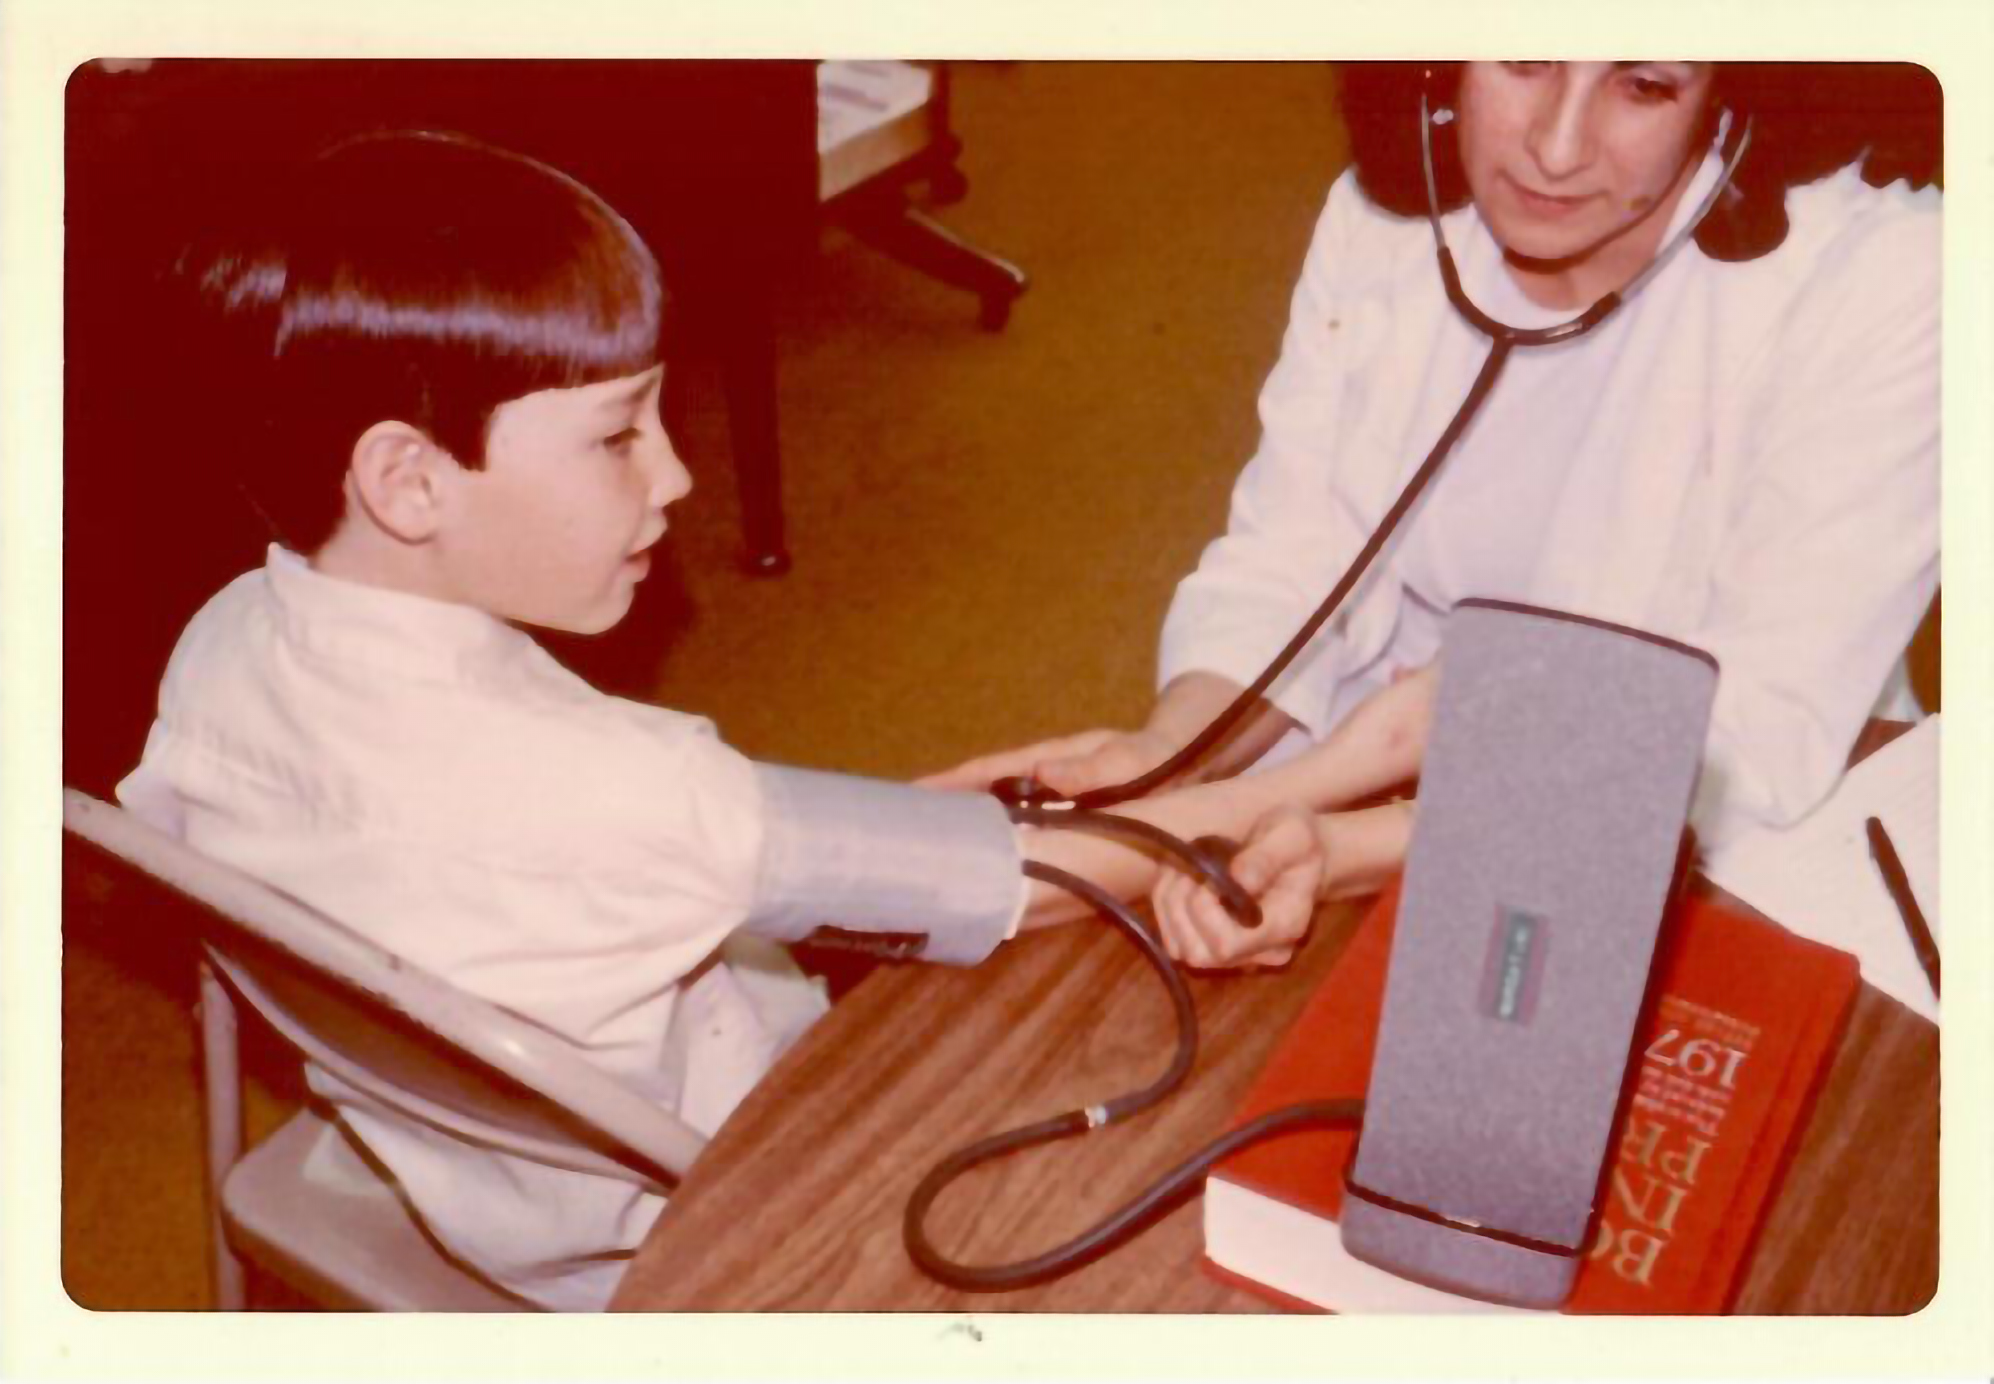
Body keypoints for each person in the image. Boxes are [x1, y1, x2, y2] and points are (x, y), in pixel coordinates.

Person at [111, 129, 1395, 1310]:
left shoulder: (216, 645)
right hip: (684, 1220)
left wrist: (873, 841)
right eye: (617, 436)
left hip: (436, 1157)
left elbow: (665, 844)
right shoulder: (627, 792)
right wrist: (1330, 772)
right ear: (406, 479)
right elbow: (1034, 877)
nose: (673, 475)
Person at [932, 61, 1941, 964]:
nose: (1552, 147)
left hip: (1706, 850)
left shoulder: (1887, 283)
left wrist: (1301, 826)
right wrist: (1177, 750)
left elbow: (1742, 740)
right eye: (1522, 60)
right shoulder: (1390, 215)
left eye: (1642, 87)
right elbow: (1293, 556)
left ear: (1732, 88)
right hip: (1364, 788)